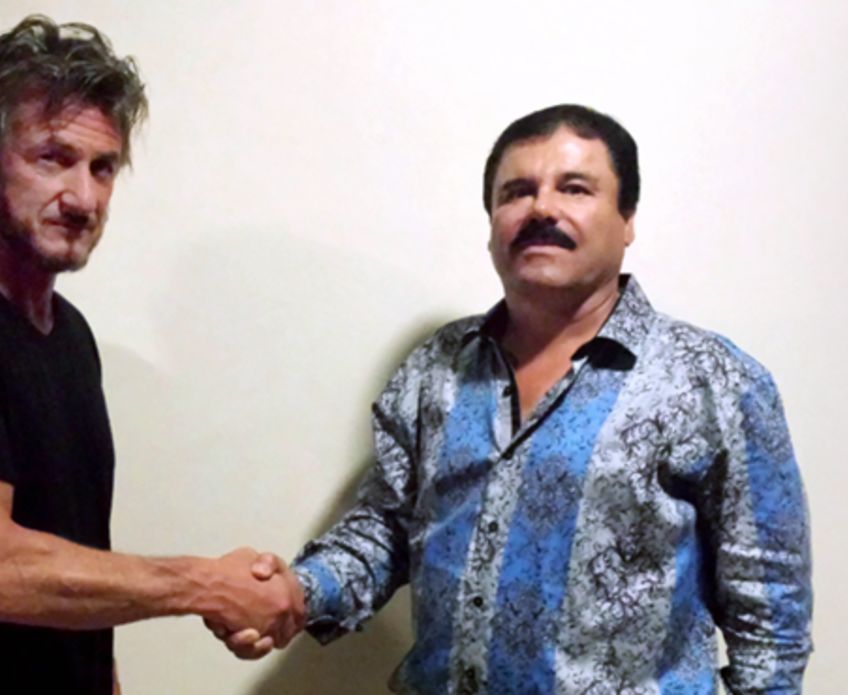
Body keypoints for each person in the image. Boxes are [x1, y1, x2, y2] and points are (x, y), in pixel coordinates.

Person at [213, 104, 812, 694]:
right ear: (493, 223)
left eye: (574, 188)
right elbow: (387, 530)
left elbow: (771, 618)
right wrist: (296, 593)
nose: (542, 208)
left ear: (627, 219)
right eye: (517, 192)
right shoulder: (435, 368)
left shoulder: (712, 381)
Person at [0, 15, 301, 694]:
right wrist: (206, 584)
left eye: (102, 167)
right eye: (52, 158)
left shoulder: (70, 337)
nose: (84, 197)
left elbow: (69, 566)